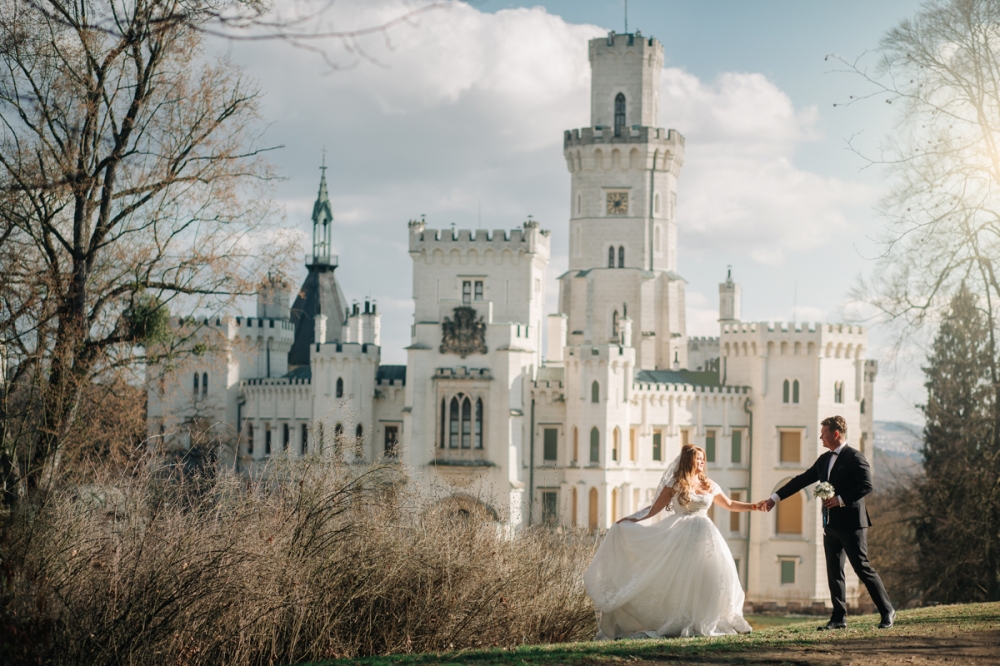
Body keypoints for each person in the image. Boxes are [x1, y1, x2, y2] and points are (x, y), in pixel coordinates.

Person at [583, 444, 757, 639]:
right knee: (682, 580)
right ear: (688, 460)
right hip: (681, 538)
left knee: (712, 577)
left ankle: (707, 620)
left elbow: (730, 504)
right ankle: (682, 619)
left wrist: (755, 506)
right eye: (698, 458)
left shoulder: (709, 484)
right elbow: (654, 508)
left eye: (703, 459)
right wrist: (630, 520)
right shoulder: (675, 483)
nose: (701, 462)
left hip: (707, 538)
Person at [756, 415, 895, 630]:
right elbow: (801, 480)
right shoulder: (823, 460)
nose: (821, 437)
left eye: (824, 433)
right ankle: (839, 618)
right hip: (830, 524)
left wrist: (840, 499)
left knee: (862, 568)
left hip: (852, 525)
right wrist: (775, 498)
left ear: (836, 434)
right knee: (833, 572)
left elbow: (866, 485)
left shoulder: (855, 457)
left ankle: (887, 611)